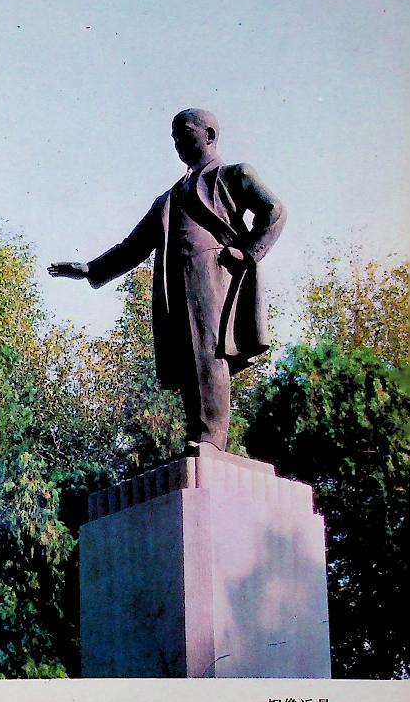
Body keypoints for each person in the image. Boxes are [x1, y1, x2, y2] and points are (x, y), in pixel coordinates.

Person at [49, 108, 285, 453]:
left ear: (209, 134)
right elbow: (135, 246)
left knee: (209, 350)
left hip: (213, 272)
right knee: (188, 357)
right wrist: (91, 269)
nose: (177, 142)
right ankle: (199, 433)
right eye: (173, 136)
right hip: (176, 279)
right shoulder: (169, 198)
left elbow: (274, 211)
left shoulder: (235, 175)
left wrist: (246, 252)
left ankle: (210, 439)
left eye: (185, 133)